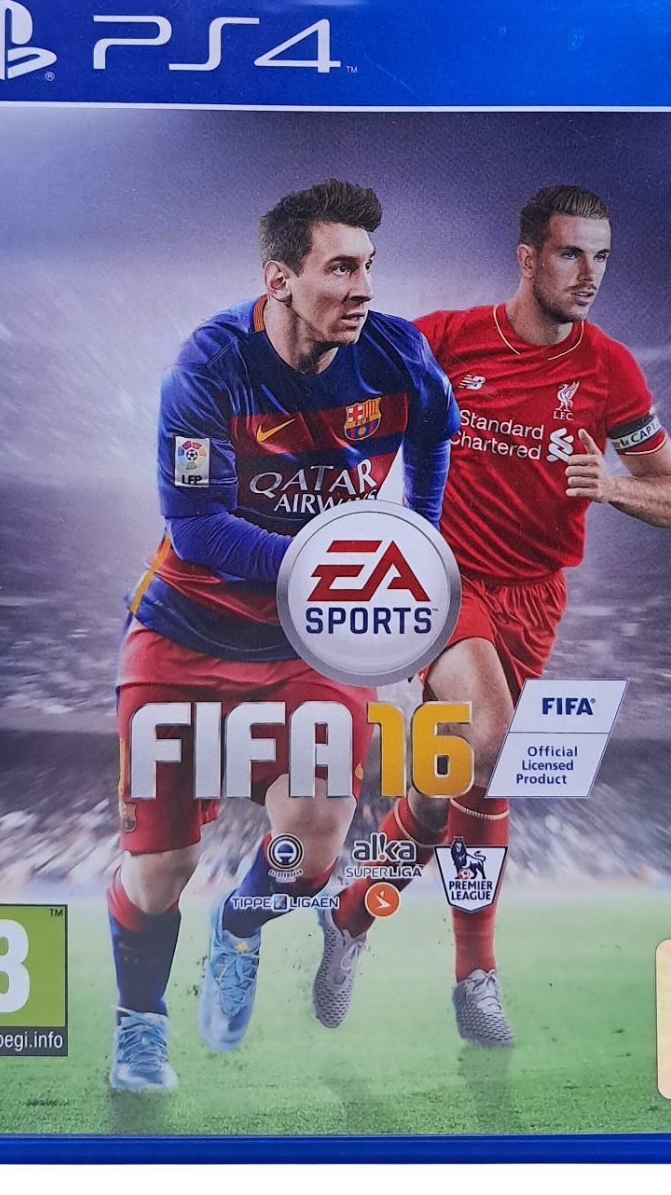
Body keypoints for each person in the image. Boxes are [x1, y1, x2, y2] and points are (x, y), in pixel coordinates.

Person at [313, 184, 671, 1047]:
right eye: (570, 253)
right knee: (492, 736)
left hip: (535, 598)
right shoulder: (447, 339)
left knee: (450, 791)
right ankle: (475, 977)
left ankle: (350, 915)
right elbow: (344, 381)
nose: (589, 273)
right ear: (527, 257)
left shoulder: (611, 371)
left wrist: (614, 486)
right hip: (443, 580)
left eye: (601, 256)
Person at [108, 179, 459, 1090]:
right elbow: (197, 529)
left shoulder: (399, 355)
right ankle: (139, 1023)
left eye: (369, 266)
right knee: (160, 872)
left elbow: (435, 436)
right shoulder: (209, 366)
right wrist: (334, 563)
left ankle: (240, 924)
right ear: (279, 279)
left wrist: (415, 544)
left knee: (311, 853)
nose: (363, 287)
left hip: (312, 643)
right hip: (185, 630)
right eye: (340, 268)